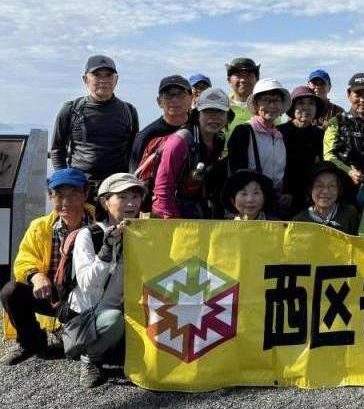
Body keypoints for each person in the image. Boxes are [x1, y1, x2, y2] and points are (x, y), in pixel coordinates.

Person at [0, 168, 94, 366]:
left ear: (86, 194)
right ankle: (31, 343)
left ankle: (80, 343)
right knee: (12, 291)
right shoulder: (40, 226)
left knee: (77, 349)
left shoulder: (99, 225)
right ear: (50, 196)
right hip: (51, 296)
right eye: (59, 195)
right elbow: (24, 259)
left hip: (89, 300)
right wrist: (35, 276)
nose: (66, 202)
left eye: (74, 193)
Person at [69, 173, 146, 387]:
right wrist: (107, 248)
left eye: (136, 196)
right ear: (105, 201)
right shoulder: (89, 235)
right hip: (91, 317)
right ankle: (89, 358)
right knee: (112, 320)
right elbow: (87, 284)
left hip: (130, 311)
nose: (131, 203)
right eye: (122, 197)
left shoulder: (146, 234)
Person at [51, 55, 139, 187]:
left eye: (108, 75)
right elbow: (57, 149)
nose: (103, 80)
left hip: (117, 187)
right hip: (80, 186)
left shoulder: (129, 111)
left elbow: (135, 151)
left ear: (116, 80)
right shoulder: (71, 109)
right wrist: (65, 180)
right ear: (85, 79)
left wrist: (130, 179)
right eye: (97, 75)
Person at [151, 88, 232, 219]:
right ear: (197, 115)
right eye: (208, 112)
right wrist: (173, 221)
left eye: (220, 112)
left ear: (228, 117)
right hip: (170, 213)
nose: (214, 117)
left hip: (197, 211)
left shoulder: (219, 140)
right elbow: (162, 188)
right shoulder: (179, 142)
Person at [323, 73, 364, 200]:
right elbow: (329, 156)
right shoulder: (336, 122)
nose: (363, 100)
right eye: (358, 94)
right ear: (348, 95)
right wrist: (349, 171)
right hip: (345, 183)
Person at [228, 79, 292, 212]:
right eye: (266, 100)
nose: (272, 105)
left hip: (275, 205)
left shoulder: (281, 136)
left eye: (276, 101)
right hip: (250, 206)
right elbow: (236, 174)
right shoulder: (243, 132)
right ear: (256, 104)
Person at [129, 75, 193, 173]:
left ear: (191, 98)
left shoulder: (199, 129)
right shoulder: (146, 136)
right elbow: (134, 174)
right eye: (168, 94)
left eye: (180, 94)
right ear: (159, 101)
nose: (174, 100)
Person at [278, 87, 325, 214]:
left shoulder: (320, 134)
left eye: (311, 103)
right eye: (301, 103)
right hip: (282, 196)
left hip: (311, 198)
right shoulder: (279, 132)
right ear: (292, 107)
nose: (306, 107)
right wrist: (286, 191)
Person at [292, 162, 360, 235]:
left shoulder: (349, 214)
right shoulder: (299, 221)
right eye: (319, 185)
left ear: (339, 189)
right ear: (310, 189)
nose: (325, 191)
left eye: (331, 186)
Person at [225, 57, 260, 139]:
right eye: (238, 75)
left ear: (257, 79)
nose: (243, 80)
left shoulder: (266, 108)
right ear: (229, 80)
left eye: (248, 75)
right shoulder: (221, 106)